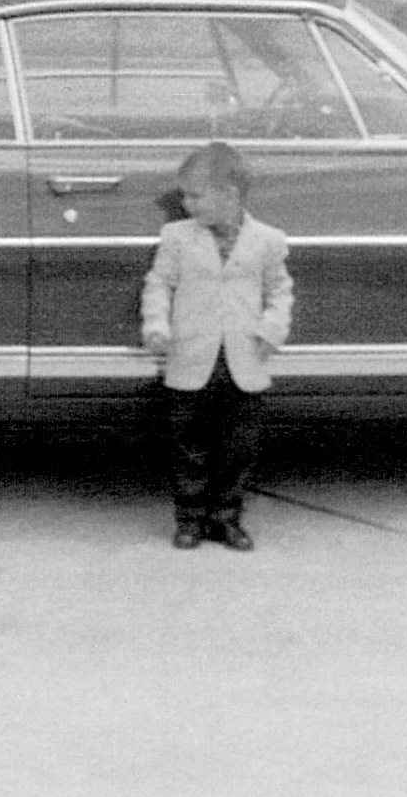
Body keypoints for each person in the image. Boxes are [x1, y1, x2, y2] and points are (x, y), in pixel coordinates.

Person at [141, 141, 294, 551]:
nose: (186, 204)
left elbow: (280, 290)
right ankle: (189, 518)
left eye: (195, 195)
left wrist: (272, 330)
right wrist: (156, 323)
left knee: (238, 448)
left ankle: (227, 518)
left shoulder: (267, 239)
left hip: (246, 359)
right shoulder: (176, 237)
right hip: (191, 358)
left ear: (229, 195)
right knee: (187, 444)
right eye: (185, 196)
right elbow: (160, 283)